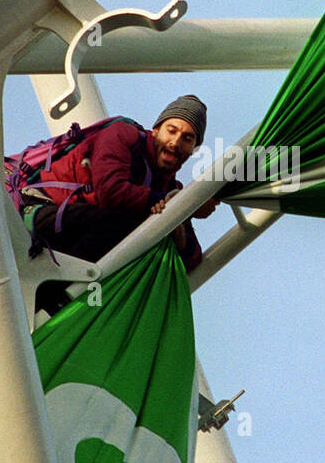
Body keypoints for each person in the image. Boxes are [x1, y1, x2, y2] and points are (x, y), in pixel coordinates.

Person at [25, 95, 218, 315]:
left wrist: (178, 229)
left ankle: (59, 301)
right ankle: (52, 298)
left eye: (187, 138)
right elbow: (111, 191)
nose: (175, 142)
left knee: (147, 244)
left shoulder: (170, 188)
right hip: (42, 214)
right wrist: (165, 205)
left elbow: (192, 261)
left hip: (77, 237)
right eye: (171, 130)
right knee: (130, 224)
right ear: (156, 130)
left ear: (193, 149)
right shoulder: (122, 134)